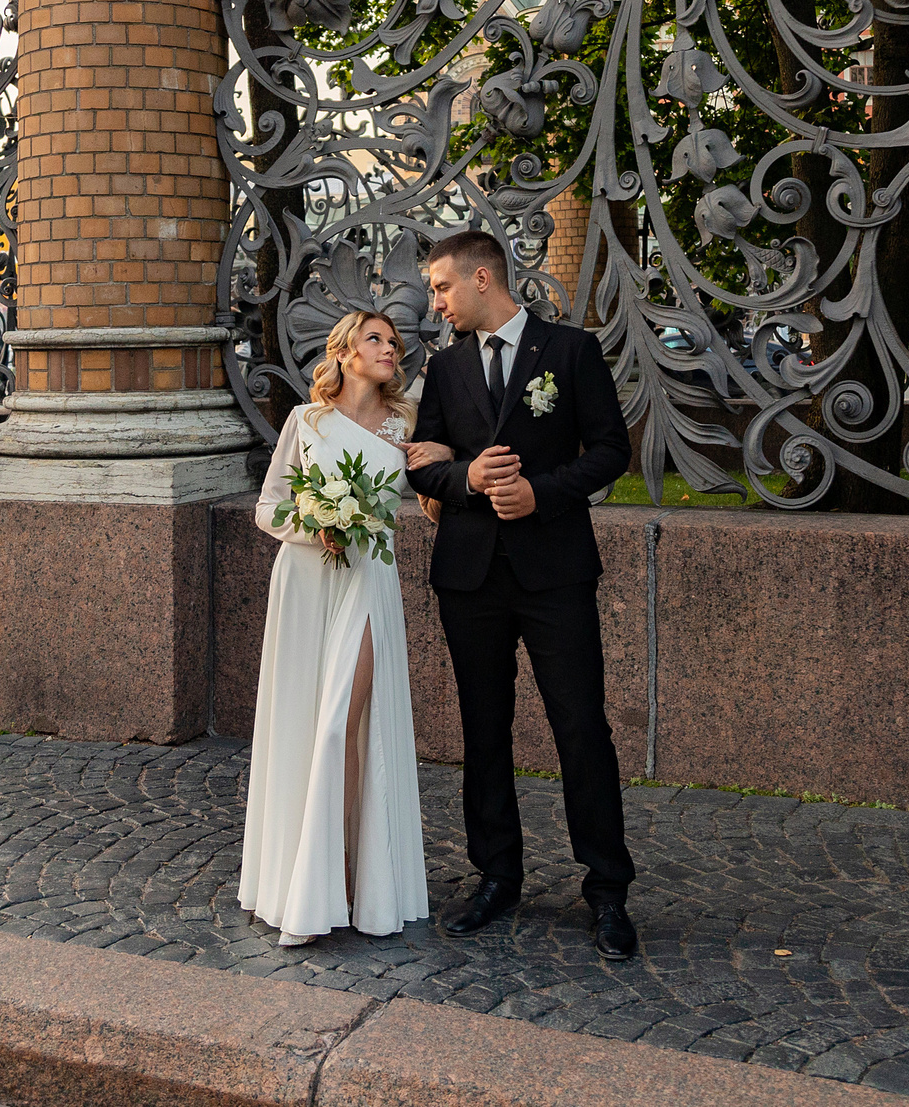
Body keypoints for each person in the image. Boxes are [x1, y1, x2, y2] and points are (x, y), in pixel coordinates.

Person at [405, 228, 638, 959]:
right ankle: (496, 874)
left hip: (555, 571)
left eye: (441, 287)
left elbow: (610, 451)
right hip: (469, 576)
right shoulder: (443, 370)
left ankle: (606, 890)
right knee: (484, 727)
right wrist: (467, 478)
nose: (435, 302)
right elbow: (422, 466)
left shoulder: (569, 351)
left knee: (581, 727)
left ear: (482, 278)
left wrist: (541, 493)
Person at [240, 310, 435, 944]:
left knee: (342, 724)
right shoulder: (307, 421)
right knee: (304, 723)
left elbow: (431, 498)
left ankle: (348, 878)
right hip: (304, 579)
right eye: (375, 339)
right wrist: (315, 522)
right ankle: (314, 879)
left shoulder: (406, 423)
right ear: (345, 352)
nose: (389, 349)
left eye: (394, 342)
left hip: (367, 580)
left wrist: (449, 465)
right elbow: (268, 506)